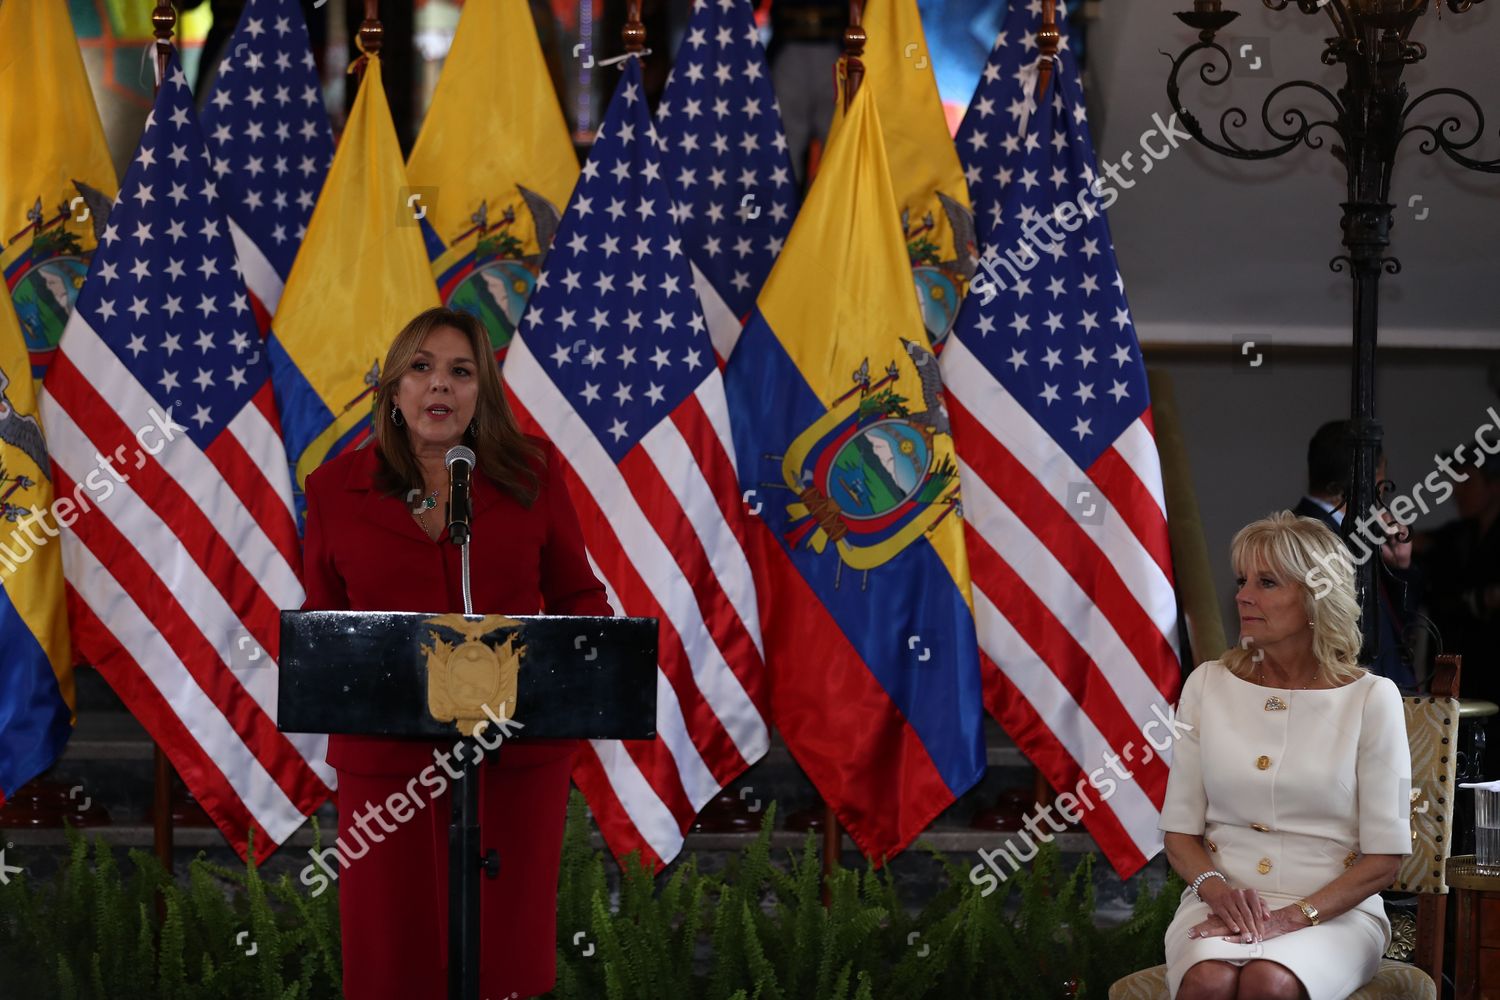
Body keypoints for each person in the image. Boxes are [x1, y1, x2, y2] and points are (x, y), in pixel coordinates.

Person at [300, 307, 611, 999]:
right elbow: (320, 630)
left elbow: (581, 601)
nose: (439, 385)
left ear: (481, 393)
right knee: (394, 961)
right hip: (388, 772)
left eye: (460, 371)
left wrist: (560, 672)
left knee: (503, 961)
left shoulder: (532, 474)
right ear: (393, 390)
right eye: (422, 367)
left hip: (514, 760)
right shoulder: (334, 491)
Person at [1159, 512, 1411, 1000]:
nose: (1243, 595)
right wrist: (1216, 892)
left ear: (1315, 598)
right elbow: (1179, 833)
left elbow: (1386, 859)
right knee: (1209, 980)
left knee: (1268, 981)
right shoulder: (1206, 685)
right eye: (1241, 580)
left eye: (1267, 582)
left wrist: (1291, 919)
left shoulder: (1372, 698)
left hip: (1336, 913)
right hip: (1219, 900)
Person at [1292, 420, 1420, 691]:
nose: (1383, 488)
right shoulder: (1305, 536)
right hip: (1352, 702)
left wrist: (1400, 567)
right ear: (1369, 479)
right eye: (1382, 473)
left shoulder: (1357, 532)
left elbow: (1396, 626)